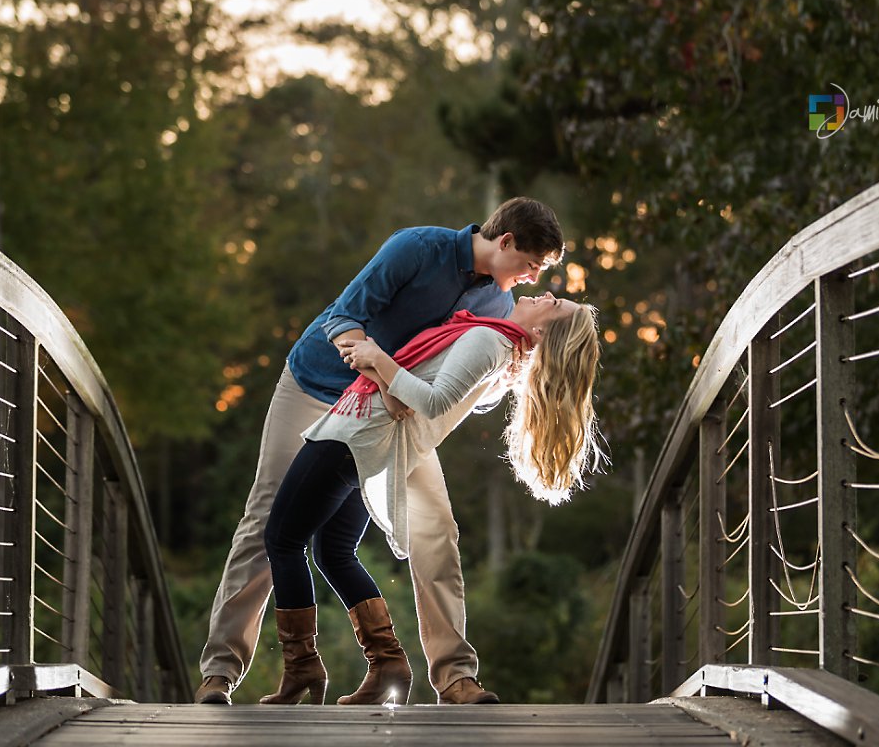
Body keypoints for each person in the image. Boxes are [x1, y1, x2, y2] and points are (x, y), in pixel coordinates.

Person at [196, 198, 566, 705]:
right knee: (266, 521)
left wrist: (508, 376)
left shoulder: (499, 307)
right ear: (505, 242)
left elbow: (458, 393)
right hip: (316, 385)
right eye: (531, 264)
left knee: (436, 531)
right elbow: (345, 317)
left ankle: (455, 676)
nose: (531, 277)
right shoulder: (416, 248)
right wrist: (385, 378)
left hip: (393, 419)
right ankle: (221, 670)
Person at [259, 295, 601, 705]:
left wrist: (374, 355)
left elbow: (434, 400)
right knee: (333, 551)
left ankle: (302, 668)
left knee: (282, 540)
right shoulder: (501, 348)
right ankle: (387, 663)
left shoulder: (490, 341)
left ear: (542, 332)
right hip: (369, 441)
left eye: (555, 303)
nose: (545, 294)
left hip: (353, 437)